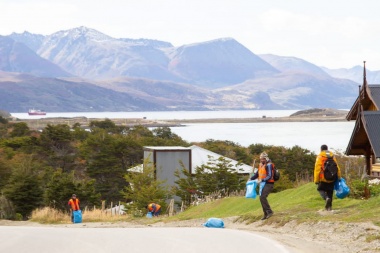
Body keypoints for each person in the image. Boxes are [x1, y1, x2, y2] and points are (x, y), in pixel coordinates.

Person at [314, 144, 341, 211]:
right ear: (327, 149)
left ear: (321, 149)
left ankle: (326, 198)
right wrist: (339, 176)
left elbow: (317, 168)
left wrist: (316, 180)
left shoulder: (320, 156)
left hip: (323, 177)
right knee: (330, 191)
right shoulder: (332, 156)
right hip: (332, 177)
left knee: (320, 189)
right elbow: (337, 167)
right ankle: (329, 208)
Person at [250, 152, 275, 220]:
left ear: (266, 158)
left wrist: (262, 180)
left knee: (263, 197)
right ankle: (265, 214)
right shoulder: (261, 165)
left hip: (269, 183)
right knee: (261, 198)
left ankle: (269, 212)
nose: (261, 160)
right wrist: (250, 179)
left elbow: (269, 176)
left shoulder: (269, 165)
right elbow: (257, 174)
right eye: (261, 159)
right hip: (262, 183)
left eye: (263, 159)